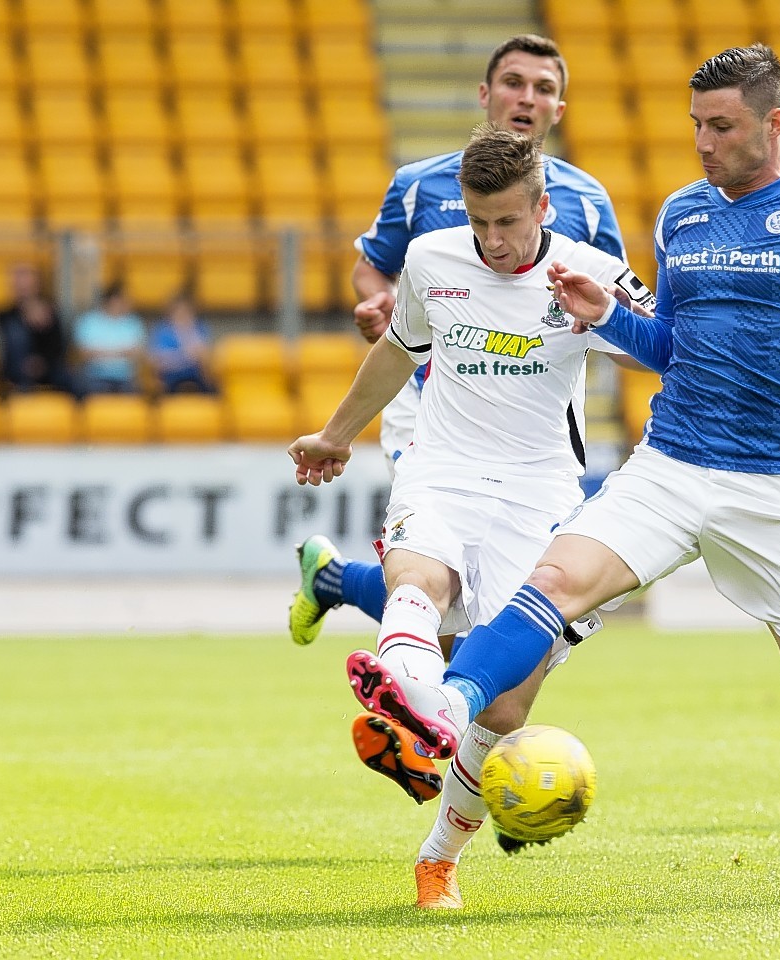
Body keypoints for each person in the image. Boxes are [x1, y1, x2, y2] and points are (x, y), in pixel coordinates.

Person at [332, 44, 780, 902]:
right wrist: (612, 317)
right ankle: (447, 703)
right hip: (672, 463)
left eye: (720, 126)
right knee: (553, 581)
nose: (701, 141)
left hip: (773, 491)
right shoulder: (681, 215)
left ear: (773, 123)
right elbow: (671, 351)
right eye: (695, 124)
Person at [288, 124, 654, 911]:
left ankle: (437, 853)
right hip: (443, 465)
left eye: (509, 223)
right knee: (418, 575)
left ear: (542, 207)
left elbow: (668, 350)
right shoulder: (431, 259)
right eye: (479, 221)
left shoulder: (591, 272)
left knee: (509, 706)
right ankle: (418, 699)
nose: (492, 240)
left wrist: (605, 320)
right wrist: (335, 435)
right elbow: (397, 349)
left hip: (541, 489)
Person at [290, 34, 630, 645]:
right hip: (427, 401)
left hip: (533, 418)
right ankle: (438, 717)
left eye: (544, 89)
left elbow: (623, 314)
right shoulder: (420, 185)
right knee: (434, 567)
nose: (526, 98)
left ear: (560, 109)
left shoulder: (589, 202)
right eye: (513, 83)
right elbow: (376, 269)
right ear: (485, 93)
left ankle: (336, 582)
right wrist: (377, 301)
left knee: (481, 608)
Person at [0, 264, 74, 395]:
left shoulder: (50, 313)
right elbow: (2, 348)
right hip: (16, 372)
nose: (21, 287)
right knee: (15, 332)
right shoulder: (5, 316)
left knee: (70, 379)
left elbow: (59, 348)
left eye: (25, 283)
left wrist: (42, 362)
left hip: (48, 369)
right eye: (18, 283)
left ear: (36, 285)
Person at [73, 280, 145, 395]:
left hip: (127, 377)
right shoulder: (88, 321)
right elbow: (84, 354)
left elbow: (138, 353)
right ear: (113, 300)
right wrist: (121, 352)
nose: (129, 303)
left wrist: (102, 353)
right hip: (94, 376)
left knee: (136, 394)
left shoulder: (133, 322)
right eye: (124, 300)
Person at [147, 290, 214, 393]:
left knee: (211, 386)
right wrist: (185, 355)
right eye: (179, 310)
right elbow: (159, 359)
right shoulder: (163, 330)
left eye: (186, 310)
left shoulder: (199, 328)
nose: (182, 314)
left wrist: (187, 334)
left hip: (195, 373)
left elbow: (202, 353)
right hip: (170, 374)